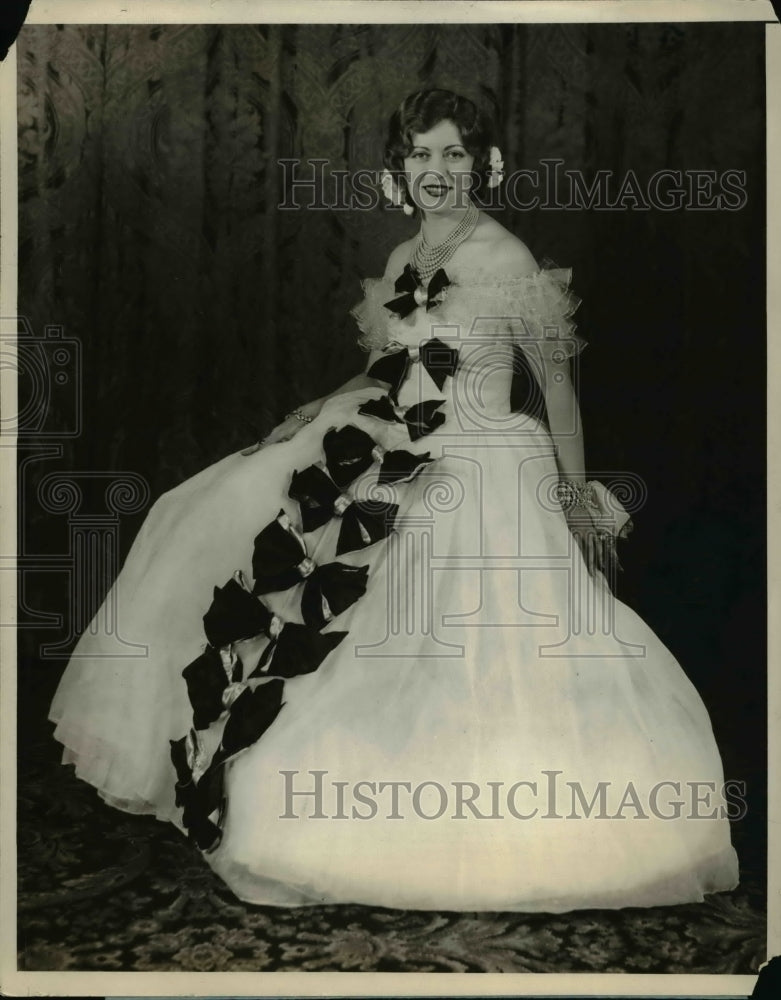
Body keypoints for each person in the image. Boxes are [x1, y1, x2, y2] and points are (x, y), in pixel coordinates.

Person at [49, 88, 740, 912]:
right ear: (398, 168)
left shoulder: (505, 258)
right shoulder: (405, 255)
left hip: (482, 456)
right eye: (419, 154)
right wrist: (317, 406)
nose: (435, 171)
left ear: (483, 164)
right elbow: (392, 372)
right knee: (208, 505)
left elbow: (556, 385)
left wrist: (571, 494)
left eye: (452, 154)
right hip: (388, 437)